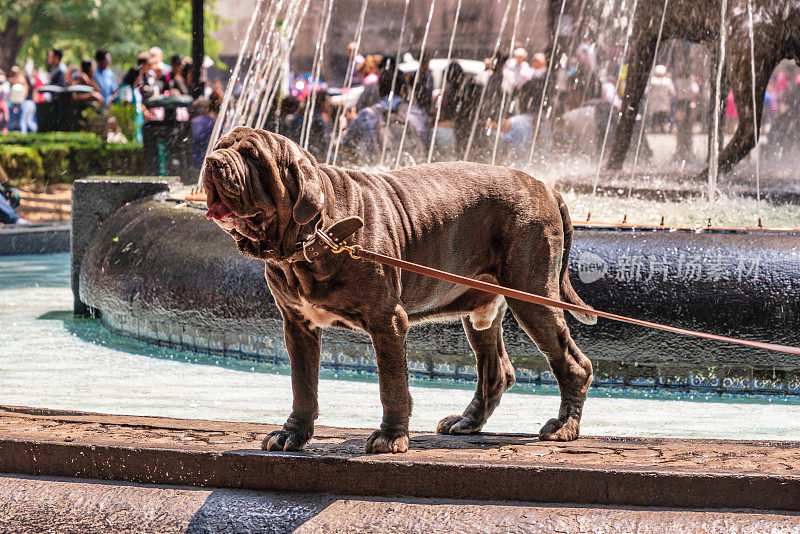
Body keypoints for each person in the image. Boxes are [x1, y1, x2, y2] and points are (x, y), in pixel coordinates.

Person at [340, 68, 428, 165]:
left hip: (379, 174)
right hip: (410, 172)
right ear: (403, 89)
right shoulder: (417, 114)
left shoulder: (367, 115)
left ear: (379, 90)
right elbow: (425, 144)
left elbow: (346, 146)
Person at [190, 97, 217, 174]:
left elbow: (194, 137)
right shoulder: (214, 122)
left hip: (196, 162)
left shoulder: (195, 122)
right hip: (210, 161)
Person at [648, 64, 675, 133]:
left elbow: (648, 91)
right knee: (663, 116)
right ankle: (662, 128)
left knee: (655, 116)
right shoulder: (667, 81)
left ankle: (654, 128)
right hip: (664, 102)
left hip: (654, 103)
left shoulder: (652, 81)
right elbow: (672, 92)